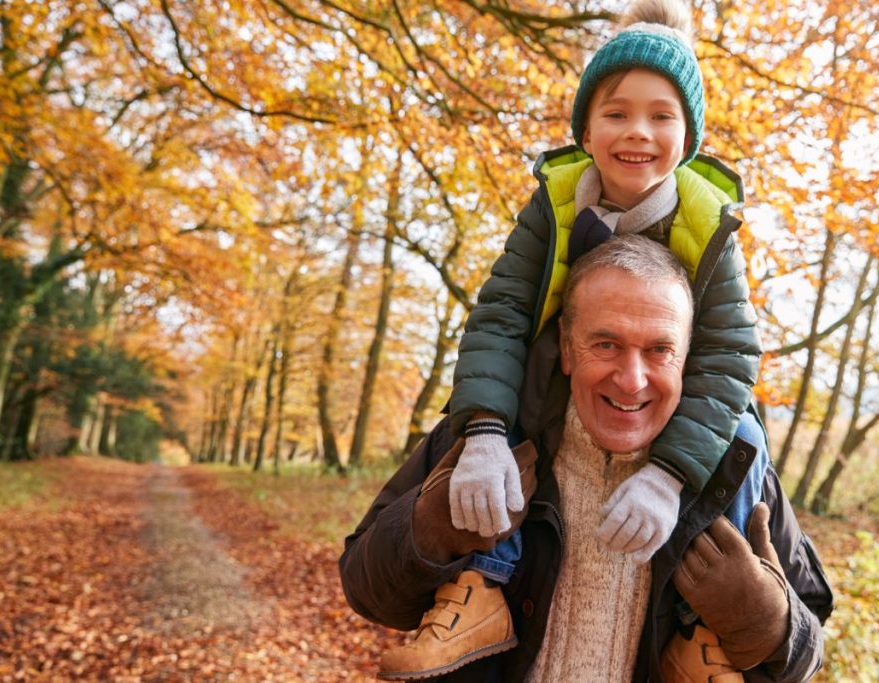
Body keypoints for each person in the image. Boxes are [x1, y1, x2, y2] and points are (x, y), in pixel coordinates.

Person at [378, 0, 763, 675]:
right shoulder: (554, 204)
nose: (637, 132)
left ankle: (701, 633)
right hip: (557, 383)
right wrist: (485, 431)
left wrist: (670, 475)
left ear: (689, 134)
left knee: (745, 436)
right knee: (514, 397)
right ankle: (480, 581)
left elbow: (729, 356)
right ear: (586, 127)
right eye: (616, 113)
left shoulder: (711, 225)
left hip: (675, 416)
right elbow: (500, 313)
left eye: (661, 115)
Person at [340, 236, 833, 682]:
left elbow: (808, 649)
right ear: (567, 350)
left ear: (685, 358)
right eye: (606, 343)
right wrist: (432, 528)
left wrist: (764, 620)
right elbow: (364, 588)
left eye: (660, 350)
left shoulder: (735, 462)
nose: (632, 379)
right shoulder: (484, 438)